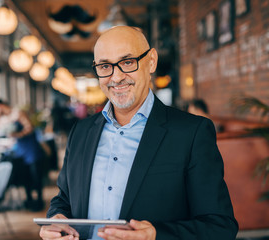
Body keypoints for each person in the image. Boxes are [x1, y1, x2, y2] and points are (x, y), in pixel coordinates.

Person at [40, 26, 238, 240]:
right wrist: (57, 219)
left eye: (127, 62)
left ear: (151, 61)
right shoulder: (81, 131)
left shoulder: (191, 133)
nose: (116, 77)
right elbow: (64, 199)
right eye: (105, 66)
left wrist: (156, 236)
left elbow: (220, 227)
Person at [0, 99, 45, 211]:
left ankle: (39, 201)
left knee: (36, 176)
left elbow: (30, 127)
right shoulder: (2, 120)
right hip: (20, 151)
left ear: (0, 106)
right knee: (26, 177)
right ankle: (29, 201)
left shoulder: (18, 113)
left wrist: (17, 135)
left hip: (31, 148)